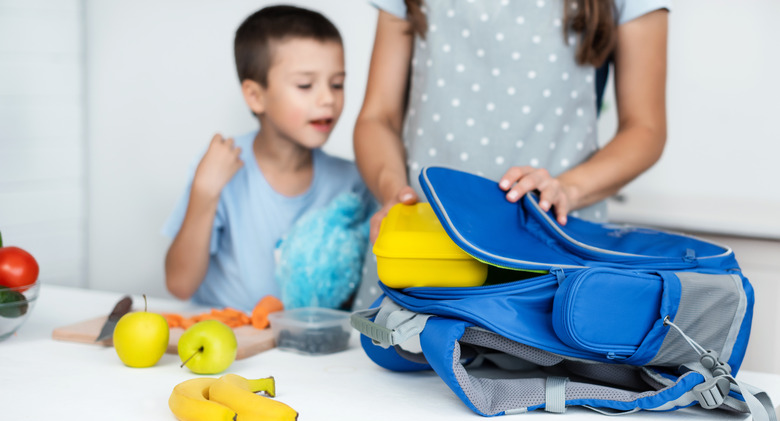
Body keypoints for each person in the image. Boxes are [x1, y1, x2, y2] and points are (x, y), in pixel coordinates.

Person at [351, 0, 669, 309]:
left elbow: (645, 129)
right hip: (423, 251)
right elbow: (378, 117)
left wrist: (567, 189)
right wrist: (392, 190)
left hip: (555, 254)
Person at [163, 5, 369, 312]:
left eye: (337, 84)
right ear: (255, 96)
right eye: (305, 85)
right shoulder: (218, 169)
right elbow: (179, 284)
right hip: (228, 345)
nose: (328, 98)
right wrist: (205, 192)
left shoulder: (352, 181)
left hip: (305, 354)